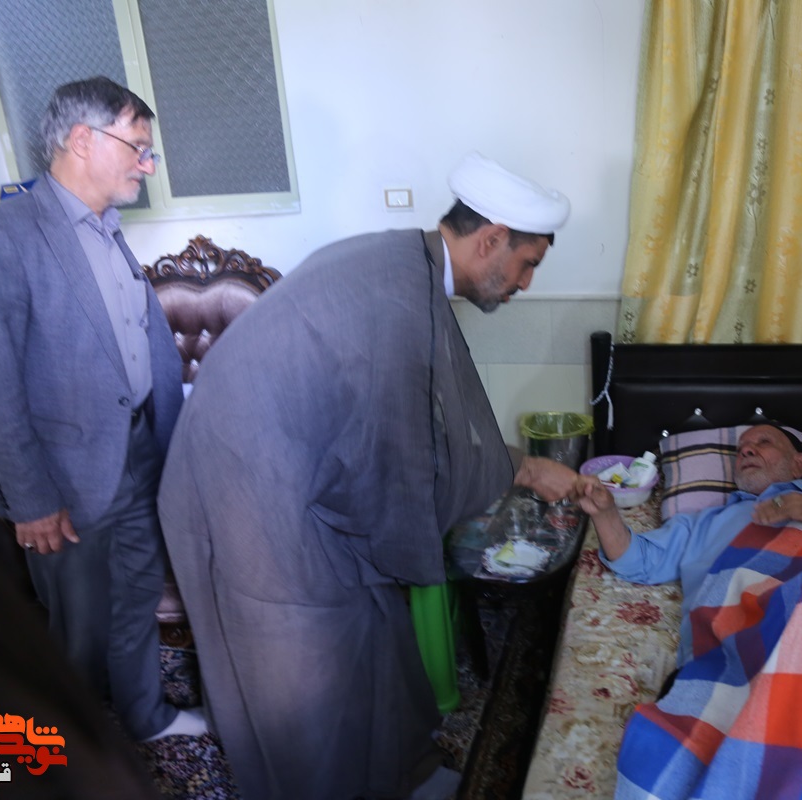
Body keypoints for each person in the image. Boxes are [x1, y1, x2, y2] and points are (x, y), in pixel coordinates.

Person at [157, 151, 579, 799]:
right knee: (304, 670)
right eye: (527, 264)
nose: (524, 283)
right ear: (491, 239)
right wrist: (510, 474)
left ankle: (396, 774)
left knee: (377, 635)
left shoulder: (404, 261)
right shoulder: (396, 293)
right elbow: (399, 459)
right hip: (250, 494)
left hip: (287, 468)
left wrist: (512, 466)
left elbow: (409, 430)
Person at [0, 77, 205, 742]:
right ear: (82, 140)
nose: (148, 166)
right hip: (63, 476)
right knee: (81, 626)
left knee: (136, 598)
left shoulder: (106, 229)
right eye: (138, 148)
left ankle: (146, 717)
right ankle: (67, 751)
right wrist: (31, 498)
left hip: (138, 450)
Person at [574, 423, 802, 797]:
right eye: (742, 448)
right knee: (653, 751)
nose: (747, 449)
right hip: (737, 646)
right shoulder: (704, 523)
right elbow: (637, 560)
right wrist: (604, 513)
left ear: (799, 464)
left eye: (764, 442)